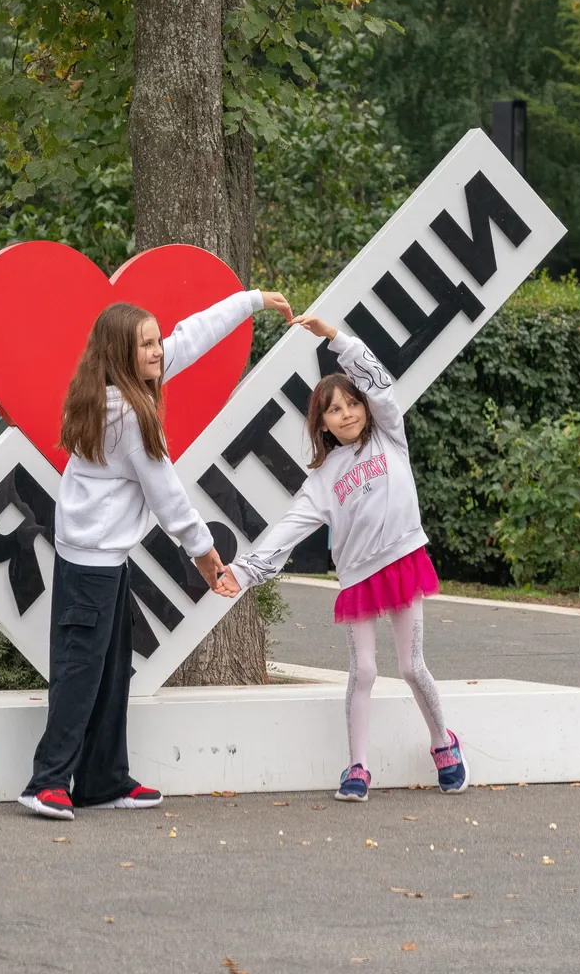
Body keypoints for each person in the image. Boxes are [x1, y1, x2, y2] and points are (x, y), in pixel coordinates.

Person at [19, 288, 291, 821]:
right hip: (90, 564)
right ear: (122, 353)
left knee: (113, 670)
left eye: (155, 342)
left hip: (106, 560)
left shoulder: (118, 385)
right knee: (80, 672)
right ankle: (46, 782)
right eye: (145, 345)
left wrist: (251, 301)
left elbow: (188, 338)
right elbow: (167, 494)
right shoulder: (124, 413)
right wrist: (207, 559)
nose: (157, 352)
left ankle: (102, 781)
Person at [220, 315, 468, 804]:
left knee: (413, 665)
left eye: (353, 403)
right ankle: (356, 767)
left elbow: (377, 378)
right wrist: (245, 571)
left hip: (402, 561)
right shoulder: (322, 478)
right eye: (334, 410)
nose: (347, 413)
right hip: (358, 578)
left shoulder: (388, 435)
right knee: (365, 671)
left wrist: (335, 339)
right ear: (322, 422)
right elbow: (288, 529)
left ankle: (444, 742)